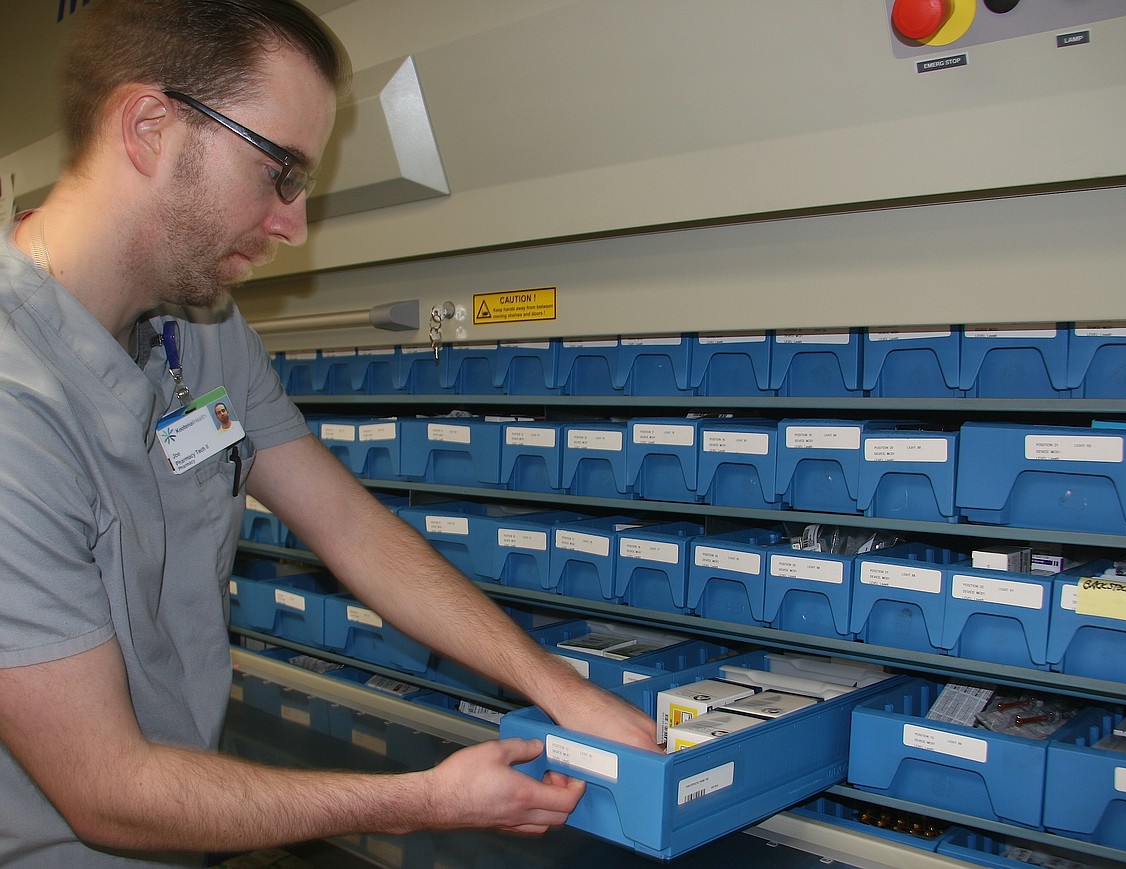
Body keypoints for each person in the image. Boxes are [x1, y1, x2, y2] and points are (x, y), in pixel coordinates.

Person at [0, 1, 658, 866]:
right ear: (150, 127)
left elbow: (346, 524)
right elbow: (108, 792)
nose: (292, 225)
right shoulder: (17, 407)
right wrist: (425, 798)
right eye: (279, 171)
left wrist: (554, 684)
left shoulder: (197, 329)